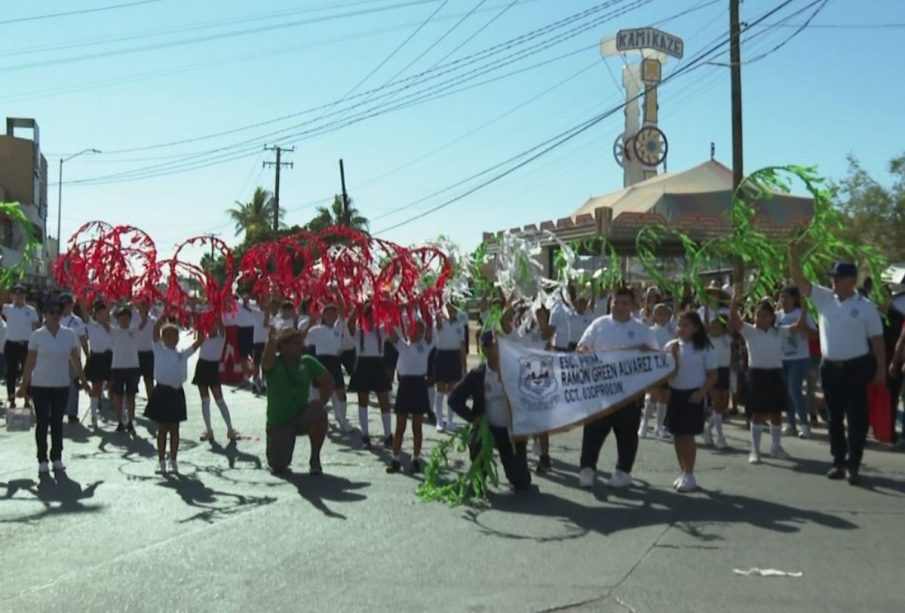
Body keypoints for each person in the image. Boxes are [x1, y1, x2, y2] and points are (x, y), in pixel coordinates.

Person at [789, 246, 885, 485]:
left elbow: (877, 341)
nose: (833, 282)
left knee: (856, 417)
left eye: (838, 278)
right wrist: (793, 256)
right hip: (830, 367)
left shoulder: (865, 307)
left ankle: (854, 463)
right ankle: (838, 462)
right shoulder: (824, 298)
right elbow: (800, 282)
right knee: (834, 417)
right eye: (832, 278)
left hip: (857, 367)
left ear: (851, 280)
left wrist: (881, 370)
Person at [576, 286, 657, 489]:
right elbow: (582, 345)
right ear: (611, 302)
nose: (619, 306)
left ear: (632, 306)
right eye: (616, 302)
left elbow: (657, 358)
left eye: (624, 303)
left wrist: (651, 352)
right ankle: (587, 468)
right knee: (593, 431)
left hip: (629, 394)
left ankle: (623, 471)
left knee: (627, 435)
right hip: (601, 391)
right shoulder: (599, 324)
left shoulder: (642, 329)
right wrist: (584, 350)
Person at [448, 331, 532, 491]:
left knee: (521, 482)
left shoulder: (516, 371)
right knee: (477, 441)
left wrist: (525, 425)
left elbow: (530, 399)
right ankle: (480, 474)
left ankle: (518, 472)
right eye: (488, 346)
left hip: (511, 432)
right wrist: (473, 418)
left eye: (496, 345)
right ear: (484, 350)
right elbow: (454, 399)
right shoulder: (477, 374)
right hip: (488, 429)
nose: (493, 350)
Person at [17, 299, 89, 473]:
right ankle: (42, 459)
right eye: (52, 313)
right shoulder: (37, 336)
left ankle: (56, 457)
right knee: (42, 423)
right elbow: (30, 361)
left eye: (58, 313)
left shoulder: (69, 334)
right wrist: (23, 384)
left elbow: (75, 359)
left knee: (57, 423)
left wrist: (84, 380)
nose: (55, 316)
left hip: (61, 385)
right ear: (45, 315)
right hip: (40, 385)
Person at [729, 296, 804, 464]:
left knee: (776, 413)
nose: (760, 318)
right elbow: (734, 320)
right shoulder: (750, 331)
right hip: (756, 375)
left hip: (775, 374)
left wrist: (804, 306)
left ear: (772, 317)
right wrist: (734, 302)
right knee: (756, 414)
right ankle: (755, 450)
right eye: (758, 315)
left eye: (764, 315)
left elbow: (799, 326)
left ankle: (776, 446)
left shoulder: (779, 331)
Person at [262, 327, 334, 474]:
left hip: (301, 415)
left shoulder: (307, 361)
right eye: (295, 343)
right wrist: (272, 342)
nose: (301, 346)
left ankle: (315, 458)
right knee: (278, 467)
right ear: (283, 346)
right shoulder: (275, 363)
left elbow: (329, 381)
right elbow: (265, 363)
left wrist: (322, 401)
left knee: (320, 414)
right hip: (279, 423)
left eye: (301, 342)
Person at [663, 311, 717, 492]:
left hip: (693, 395)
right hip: (675, 394)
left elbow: (713, 375)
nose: (682, 329)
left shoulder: (704, 347)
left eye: (686, 325)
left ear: (695, 328)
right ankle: (683, 472)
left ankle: (690, 473)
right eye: (679, 325)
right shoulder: (671, 346)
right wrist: (671, 355)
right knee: (677, 435)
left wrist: (701, 393)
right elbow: (665, 372)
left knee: (688, 436)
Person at [147, 317, 204, 474]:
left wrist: (201, 324)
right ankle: (160, 460)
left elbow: (198, 343)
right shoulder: (158, 349)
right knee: (162, 429)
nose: (174, 339)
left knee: (175, 429)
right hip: (162, 392)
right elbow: (154, 332)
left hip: (176, 393)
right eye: (170, 336)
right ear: (163, 338)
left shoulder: (181, 353)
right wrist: (161, 317)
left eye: (176, 336)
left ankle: (173, 459)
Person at [386, 317, 433, 474]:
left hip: (419, 384)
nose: (415, 333)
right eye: (412, 329)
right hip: (405, 386)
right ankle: (396, 459)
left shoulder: (425, 346)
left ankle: (416, 459)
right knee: (400, 427)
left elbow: (431, 327)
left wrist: (428, 313)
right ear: (407, 331)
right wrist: (386, 314)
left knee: (417, 427)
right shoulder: (403, 346)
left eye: (419, 330)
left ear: (423, 332)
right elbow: (391, 333)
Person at [347, 303, 393, 449]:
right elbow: (349, 324)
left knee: (384, 400)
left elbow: (392, 323)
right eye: (368, 317)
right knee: (363, 400)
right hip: (363, 364)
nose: (371, 320)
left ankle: (387, 435)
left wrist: (386, 304)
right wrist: (357, 308)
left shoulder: (380, 331)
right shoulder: (359, 332)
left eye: (373, 317)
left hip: (378, 364)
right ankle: (365, 434)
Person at [777, 286, 818, 438]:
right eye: (781, 297)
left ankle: (805, 425)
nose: (783, 300)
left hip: (799, 358)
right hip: (782, 359)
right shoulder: (777, 316)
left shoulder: (802, 314)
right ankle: (790, 423)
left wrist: (802, 328)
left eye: (786, 297)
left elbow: (815, 335)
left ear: (795, 299)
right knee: (787, 391)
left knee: (794, 388)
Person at [305, 303, 352, 432]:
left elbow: (343, 311)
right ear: (323, 316)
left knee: (341, 392)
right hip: (321, 362)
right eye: (328, 314)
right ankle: (319, 419)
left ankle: (343, 420)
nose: (332, 316)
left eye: (333, 314)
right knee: (323, 395)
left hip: (335, 362)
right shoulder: (316, 330)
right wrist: (310, 322)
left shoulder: (338, 328)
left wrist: (337, 292)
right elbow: (303, 336)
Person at [192, 318, 238, 442]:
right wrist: (201, 315)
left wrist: (217, 314)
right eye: (210, 325)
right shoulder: (203, 338)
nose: (212, 327)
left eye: (214, 324)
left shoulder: (221, 338)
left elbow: (222, 328)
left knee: (219, 400)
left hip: (213, 368)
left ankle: (230, 429)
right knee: (205, 400)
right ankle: (208, 430)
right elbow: (200, 327)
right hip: (202, 367)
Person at [106, 305, 148, 434]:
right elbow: (103, 321)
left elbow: (144, 321)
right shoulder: (113, 331)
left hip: (132, 367)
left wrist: (140, 306)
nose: (124, 321)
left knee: (131, 397)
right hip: (117, 367)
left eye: (126, 318)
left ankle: (130, 421)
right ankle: (120, 422)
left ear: (130, 319)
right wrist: (111, 304)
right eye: (121, 319)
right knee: (118, 397)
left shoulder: (134, 331)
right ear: (117, 320)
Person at [3, 283, 41, 408]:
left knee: (27, 372)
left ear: (25, 295)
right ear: (12, 296)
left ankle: (27, 398)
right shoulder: (7, 308)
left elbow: (36, 327)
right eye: (16, 294)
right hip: (11, 344)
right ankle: (11, 398)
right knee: (11, 373)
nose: (19, 297)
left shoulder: (30, 311)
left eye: (21, 294)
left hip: (26, 345)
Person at [641, 303, 675, 440]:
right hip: (654, 367)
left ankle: (659, 426)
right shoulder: (650, 331)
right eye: (659, 313)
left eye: (665, 314)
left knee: (664, 397)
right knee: (652, 395)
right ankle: (644, 424)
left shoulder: (672, 331)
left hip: (667, 368)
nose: (662, 316)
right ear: (654, 315)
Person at [432, 303, 467, 432]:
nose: (452, 311)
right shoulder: (440, 322)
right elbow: (438, 325)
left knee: (452, 390)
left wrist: (464, 365)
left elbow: (462, 346)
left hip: (454, 356)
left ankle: (451, 421)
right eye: (449, 308)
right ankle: (439, 421)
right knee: (440, 389)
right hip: (441, 355)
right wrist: (439, 315)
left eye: (454, 308)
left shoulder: (460, 325)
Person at [60, 293, 88, 425]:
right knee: (58, 385)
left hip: (74, 357)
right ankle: (58, 410)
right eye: (65, 304)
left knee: (73, 385)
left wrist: (88, 354)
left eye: (69, 304)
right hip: (58, 357)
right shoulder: (54, 318)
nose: (67, 306)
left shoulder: (77, 321)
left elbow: (83, 339)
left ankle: (72, 413)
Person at [84, 301, 113, 428]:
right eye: (99, 314)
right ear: (95, 315)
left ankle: (120, 414)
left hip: (109, 357)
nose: (101, 316)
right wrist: (83, 297)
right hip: (96, 357)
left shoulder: (111, 327)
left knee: (114, 386)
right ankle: (93, 416)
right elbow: (83, 311)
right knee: (96, 387)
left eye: (104, 314)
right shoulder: (91, 325)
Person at [135, 301, 157, 406]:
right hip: (135, 354)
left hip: (149, 354)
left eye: (147, 303)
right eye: (143, 303)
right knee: (133, 382)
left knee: (149, 381)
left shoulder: (153, 320)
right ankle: (130, 409)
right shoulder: (133, 318)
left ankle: (152, 404)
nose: (145, 306)